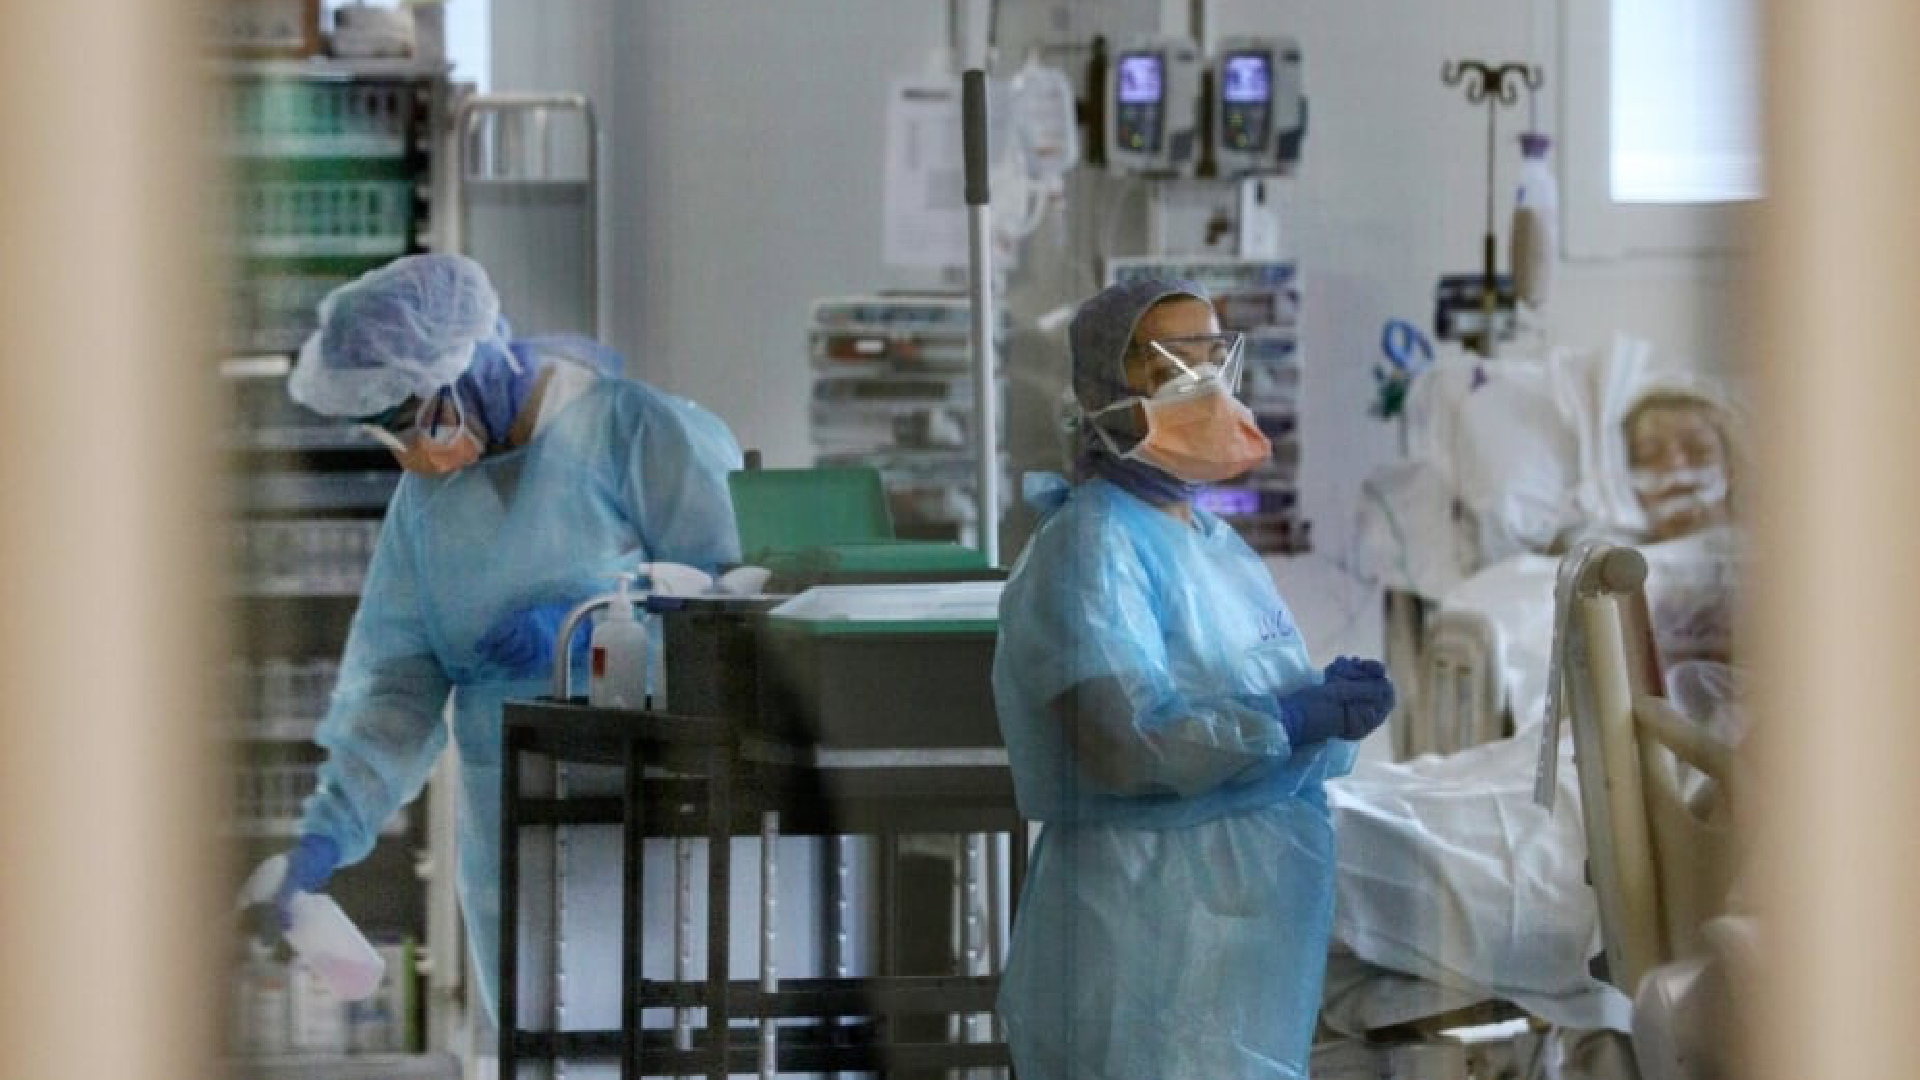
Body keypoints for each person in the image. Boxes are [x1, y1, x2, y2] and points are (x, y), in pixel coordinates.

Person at [252, 253, 741, 1023]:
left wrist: (599, 634)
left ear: (463, 364)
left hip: (655, 822)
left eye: (407, 418)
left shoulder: (630, 431)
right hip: (512, 846)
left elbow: (738, 600)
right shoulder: (425, 505)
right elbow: (396, 688)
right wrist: (325, 836)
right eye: (386, 431)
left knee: (666, 1036)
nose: (409, 450)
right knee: (546, 1042)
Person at [991, 278, 1397, 1080]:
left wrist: (1313, 702)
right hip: (1145, 921)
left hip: (1231, 933)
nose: (1200, 385)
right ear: (1099, 393)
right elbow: (1124, 745)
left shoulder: (1210, 542)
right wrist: (1291, 717)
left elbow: (1223, 697)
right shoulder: (1091, 547)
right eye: (1167, 368)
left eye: (1211, 359)